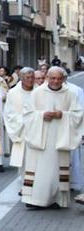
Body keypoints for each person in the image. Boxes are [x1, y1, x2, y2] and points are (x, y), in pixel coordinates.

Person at [19, 67, 84, 209]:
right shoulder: (37, 93)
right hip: (41, 139)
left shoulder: (71, 94)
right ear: (47, 77)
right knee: (40, 170)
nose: (55, 81)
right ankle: (36, 200)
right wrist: (41, 115)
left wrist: (64, 115)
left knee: (57, 171)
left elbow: (79, 115)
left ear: (63, 79)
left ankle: (57, 199)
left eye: (59, 78)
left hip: (61, 139)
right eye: (52, 78)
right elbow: (27, 113)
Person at [4, 67, 36, 173]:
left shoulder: (39, 91)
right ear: (21, 78)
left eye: (32, 77)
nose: (31, 80)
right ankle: (24, 186)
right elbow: (9, 114)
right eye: (27, 77)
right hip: (21, 131)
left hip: (37, 131)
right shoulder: (13, 93)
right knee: (24, 161)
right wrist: (23, 120)